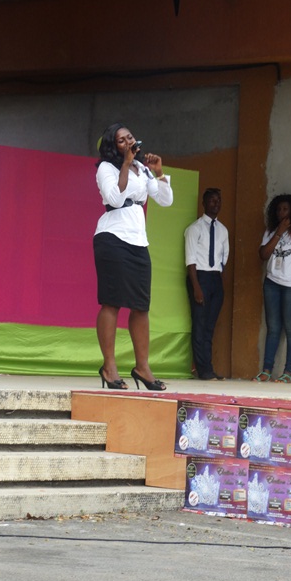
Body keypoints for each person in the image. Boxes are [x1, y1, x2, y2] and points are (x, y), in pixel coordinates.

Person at [93, 123, 173, 390]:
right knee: (112, 303)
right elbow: (115, 199)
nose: (128, 142)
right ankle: (109, 367)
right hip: (112, 238)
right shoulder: (107, 168)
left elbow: (165, 200)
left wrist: (159, 173)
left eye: (130, 137)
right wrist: (126, 164)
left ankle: (142, 367)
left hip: (138, 241)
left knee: (141, 306)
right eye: (121, 140)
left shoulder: (143, 168)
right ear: (112, 146)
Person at [253, 194, 291, 384]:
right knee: (273, 328)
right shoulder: (271, 231)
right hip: (272, 283)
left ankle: (288, 372)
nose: (282, 213)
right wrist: (278, 233)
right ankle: (266, 370)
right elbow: (263, 254)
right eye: (279, 209)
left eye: (285, 209)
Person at [184, 188, 229, 380]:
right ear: (204, 203)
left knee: (210, 326)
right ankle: (203, 370)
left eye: (218, 200)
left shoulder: (223, 230)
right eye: (212, 200)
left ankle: (208, 367)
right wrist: (196, 287)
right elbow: (190, 260)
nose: (216, 204)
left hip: (215, 278)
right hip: (199, 277)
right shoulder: (194, 229)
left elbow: (224, 258)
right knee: (200, 324)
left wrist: (217, 281)